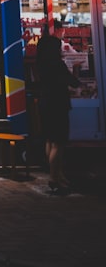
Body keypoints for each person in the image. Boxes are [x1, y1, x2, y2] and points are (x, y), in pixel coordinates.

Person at [34, 34, 81, 193]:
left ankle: (57, 174)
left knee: (50, 140)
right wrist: (75, 69)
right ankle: (54, 178)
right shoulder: (57, 64)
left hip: (45, 103)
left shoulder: (40, 63)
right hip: (58, 104)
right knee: (59, 142)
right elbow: (73, 83)